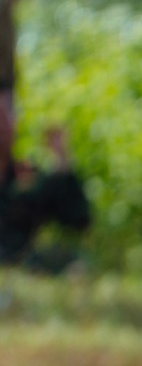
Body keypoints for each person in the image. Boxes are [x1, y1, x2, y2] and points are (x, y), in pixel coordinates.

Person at [0, 89, 91, 271]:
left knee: (75, 263)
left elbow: (77, 219)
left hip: (21, 262)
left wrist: (62, 161)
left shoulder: (28, 177)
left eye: (7, 115)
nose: (3, 123)